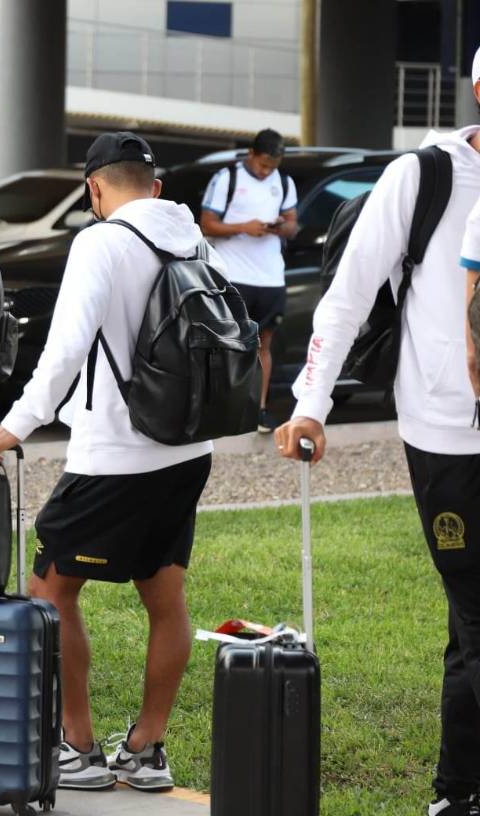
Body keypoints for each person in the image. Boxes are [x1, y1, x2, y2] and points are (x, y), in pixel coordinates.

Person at [0, 132, 215, 793]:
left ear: (95, 189)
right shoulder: (194, 239)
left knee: (49, 591)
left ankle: (76, 746)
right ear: (155, 187)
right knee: (165, 598)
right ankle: (146, 747)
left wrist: (15, 425)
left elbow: (66, 347)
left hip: (117, 452)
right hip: (189, 449)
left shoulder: (100, 242)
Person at [277, 53, 480, 816]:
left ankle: (457, 791)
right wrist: (310, 404)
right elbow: (348, 295)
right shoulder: (426, 177)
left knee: (471, 623)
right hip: (447, 435)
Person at [199, 128, 298, 433]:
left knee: (262, 345)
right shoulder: (227, 178)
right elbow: (206, 224)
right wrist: (245, 227)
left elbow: (294, 224)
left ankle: (259, 409)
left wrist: (279, 227)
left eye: (273, 166)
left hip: (270, 276)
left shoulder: (283, 182)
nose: (267, 171)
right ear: (251, 154)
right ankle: (222, 410)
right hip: (233, 275)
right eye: (263, 164)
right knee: (227, 344)